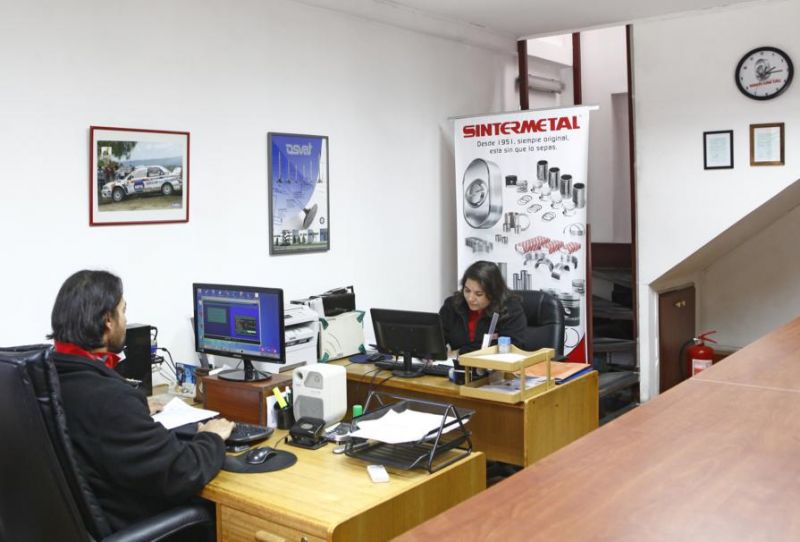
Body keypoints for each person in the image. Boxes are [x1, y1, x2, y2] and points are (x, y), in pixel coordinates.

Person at [48, 270, 234, 532]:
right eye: (123, 311)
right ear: (108, 320)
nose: (126, 320)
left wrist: (133, 411)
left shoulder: (48, 377)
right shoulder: (109, 400)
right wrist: (211, 437)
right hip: (136, 523)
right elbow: (181, 472)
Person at [439, 260, 527, 354]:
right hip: (457, 363)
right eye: (467, 290)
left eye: (479, 294)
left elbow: (513, 346)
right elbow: (437, 338)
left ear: (493, 293)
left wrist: (460, 352)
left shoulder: (510, 309)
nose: (470, 298)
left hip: (492, 363)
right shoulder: (453, 305)